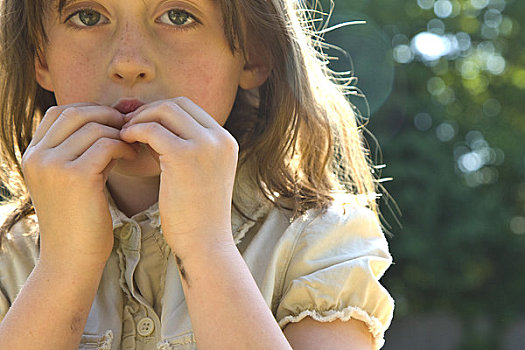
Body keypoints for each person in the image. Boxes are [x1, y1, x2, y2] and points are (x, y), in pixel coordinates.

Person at [0, 0, 394, 349]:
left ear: (253, 54)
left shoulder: (322, 241)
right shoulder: (7, 255)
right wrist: (64, 264)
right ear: (41, 57)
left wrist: (207, 248)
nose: (128, 63)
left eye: (178, 15)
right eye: (88, 16)